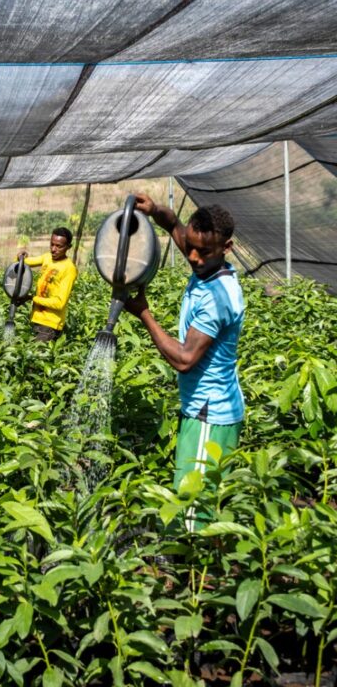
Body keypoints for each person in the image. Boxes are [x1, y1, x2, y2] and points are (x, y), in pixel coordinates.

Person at [124, 194, 244, 531]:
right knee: (195, 495)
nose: (192, 257)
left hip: (211, 412)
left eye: (202, 251)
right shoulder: (206, 263)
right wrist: (156, 210)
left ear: (227, 247)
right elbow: (176, 227)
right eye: (190, 247)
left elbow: (185, 359)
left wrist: (144, 314)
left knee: (195, 512)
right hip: (202, 408)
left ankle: (197, 578)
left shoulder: (218, 298)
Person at [18, 227, 78, 342]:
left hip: (50, 325)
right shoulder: (47, 257)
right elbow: (23, 263)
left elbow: (60, 303)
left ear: (68, 247)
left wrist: (32, 298)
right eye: (52, 244)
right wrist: (20, 256)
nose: (53, 249)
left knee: (37, 357)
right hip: (37, 319)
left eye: (59, 246)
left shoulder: (69, 269)